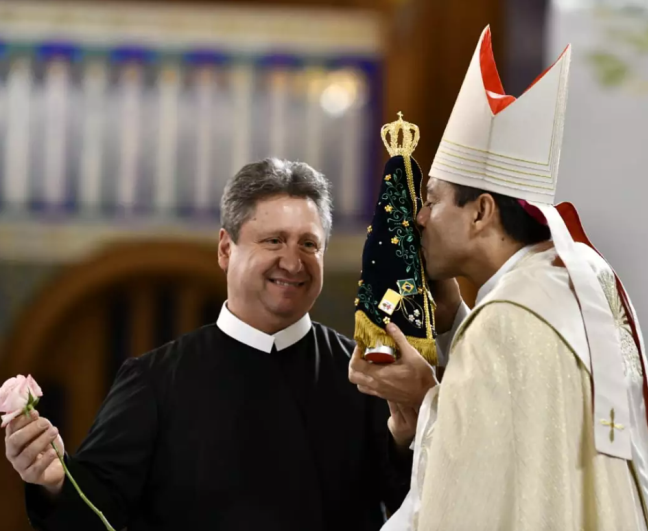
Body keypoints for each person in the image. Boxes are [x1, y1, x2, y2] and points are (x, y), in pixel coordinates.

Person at [349, 26, 648, 531]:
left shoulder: (507, 324)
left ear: (480, 212)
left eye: (432, 200)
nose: (419, 219)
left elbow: (473, 493)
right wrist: (454, 319)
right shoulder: (572, 280)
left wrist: (422, 400)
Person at [4, 158, 413, 531]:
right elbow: (94, 513)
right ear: (225, 249)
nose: (293, 262)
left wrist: (411, 430)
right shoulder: (154, 382)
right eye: (273, 241)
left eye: (309, 244)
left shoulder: (365, 375)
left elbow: (415, 504)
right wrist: (54, 482)